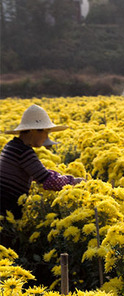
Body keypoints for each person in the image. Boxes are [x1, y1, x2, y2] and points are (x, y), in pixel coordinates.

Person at [0, 105, 84, 245]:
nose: (46, 137)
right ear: (33, 131)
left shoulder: (12, 146)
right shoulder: (23, 151)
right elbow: (47, 181)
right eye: (45, 132)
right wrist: (74, 182)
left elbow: (38, 173)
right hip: (5, 212)